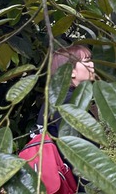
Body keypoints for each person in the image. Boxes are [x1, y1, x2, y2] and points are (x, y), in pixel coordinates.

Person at [35, 44, 96, 191]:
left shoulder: (56, 99)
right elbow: (78, 155)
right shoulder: (67, 102)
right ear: (70, 71)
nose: (92, 64)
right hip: (72, 184)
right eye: (86, 60)